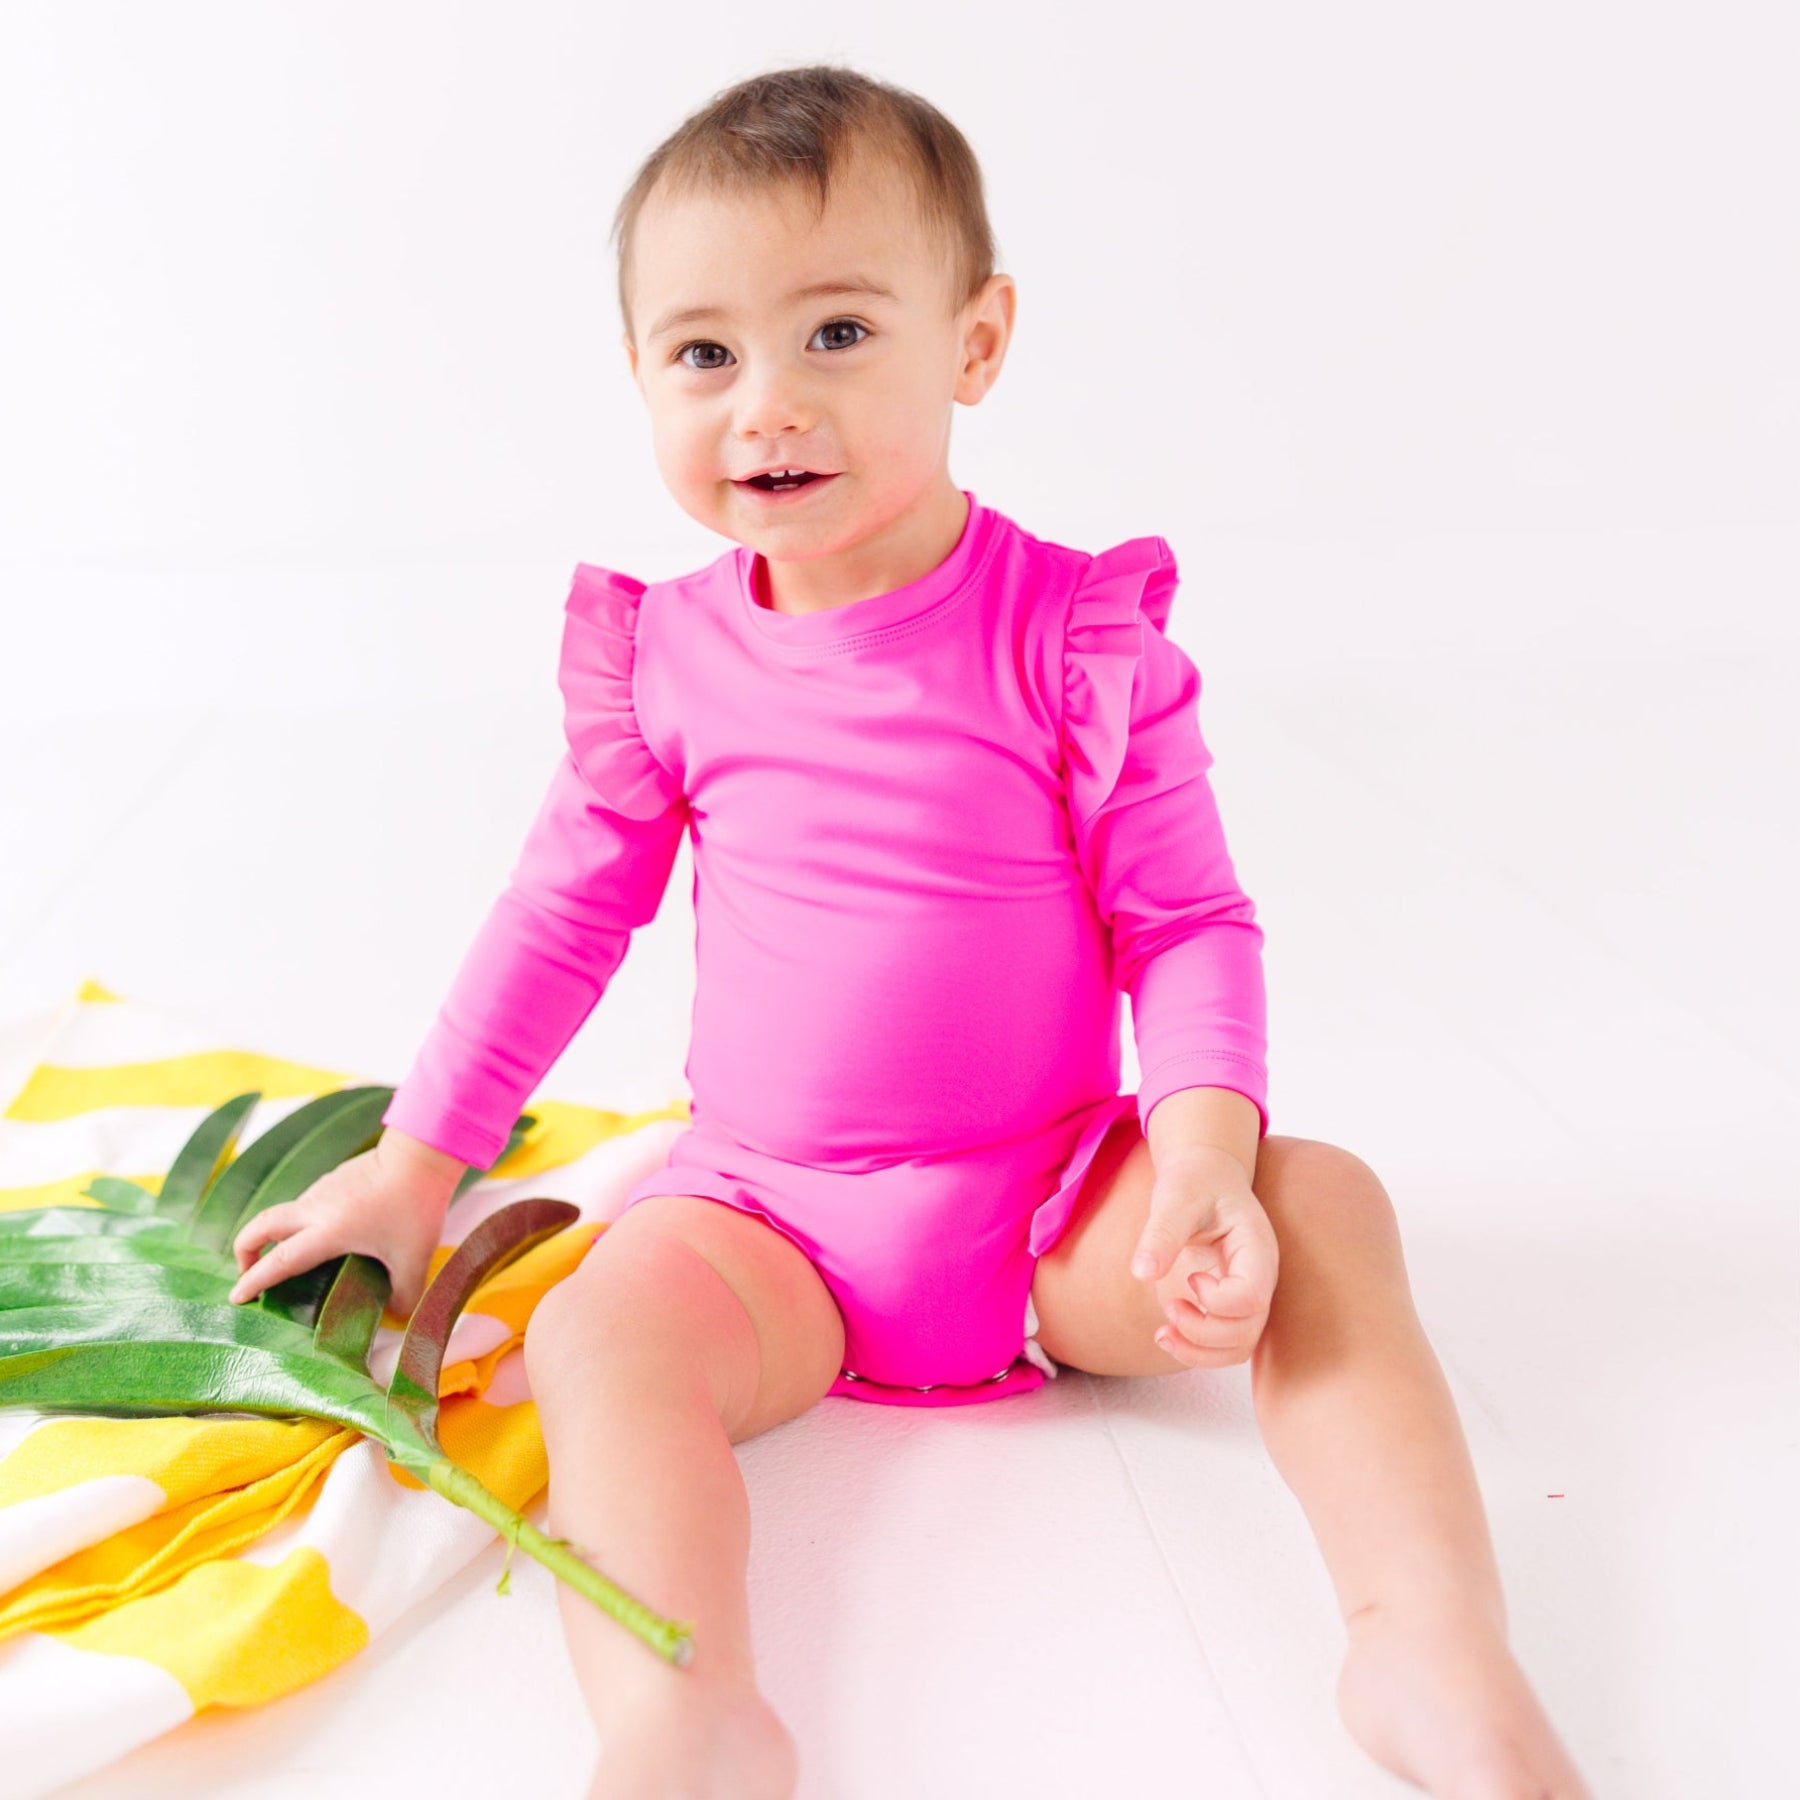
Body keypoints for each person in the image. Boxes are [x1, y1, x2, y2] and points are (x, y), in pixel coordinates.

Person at [226, 62, 1590, 1800]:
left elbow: (1187, 920)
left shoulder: (1072, 635)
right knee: (594, 1332)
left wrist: (1198, 1161)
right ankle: (685, 1709)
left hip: (1054, 1210)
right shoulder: (668, 660)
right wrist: (416, 1170)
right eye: (705, 354)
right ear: (639, 373)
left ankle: (1429, 1643)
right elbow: (561, 915)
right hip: (768, 1228)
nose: (769, 405)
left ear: (976, 341)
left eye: (839, 333)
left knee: (1325, 1202)